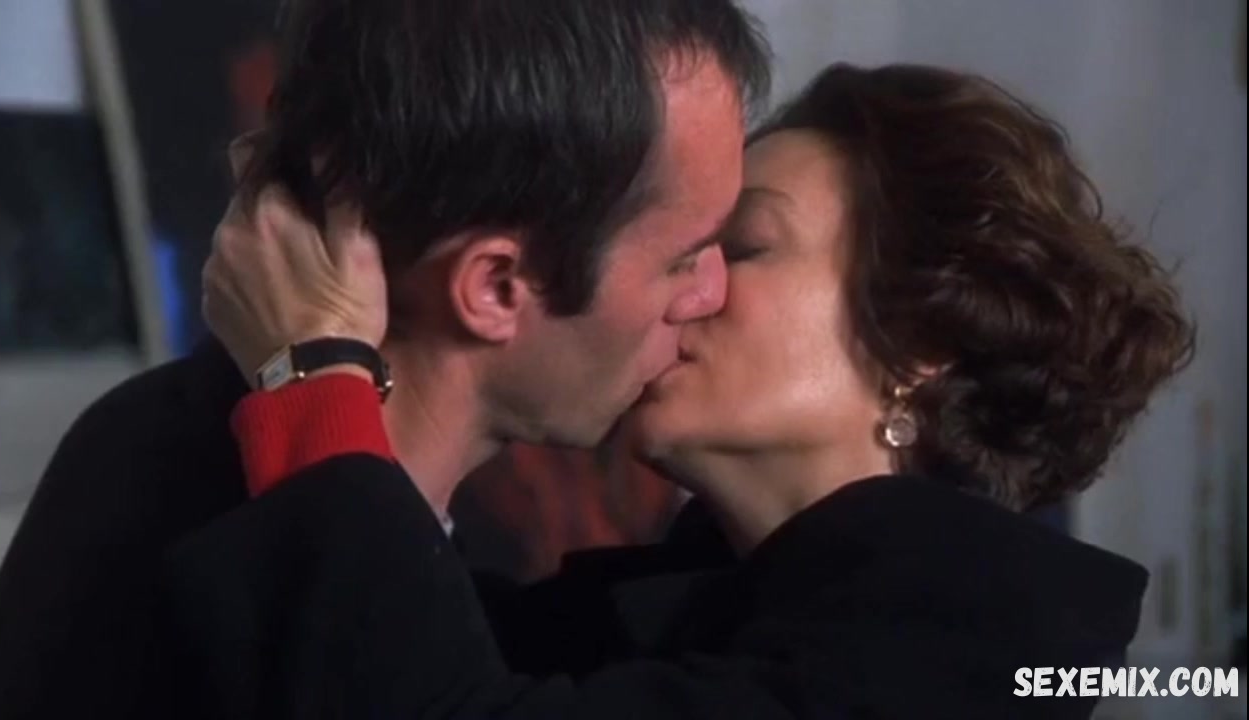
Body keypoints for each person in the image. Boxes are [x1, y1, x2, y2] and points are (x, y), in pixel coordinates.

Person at [174, 63, 1196, 719]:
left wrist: (312, 370)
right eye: (679, 247)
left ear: (920, 338)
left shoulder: (969, 655)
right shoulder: (675, 607)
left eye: (739, 247)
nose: (685, 286)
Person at [0, 2, 770, 718]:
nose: (713, 291)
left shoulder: (220, 461)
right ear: (495, 287)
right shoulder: (185, 512)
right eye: (685, 257)